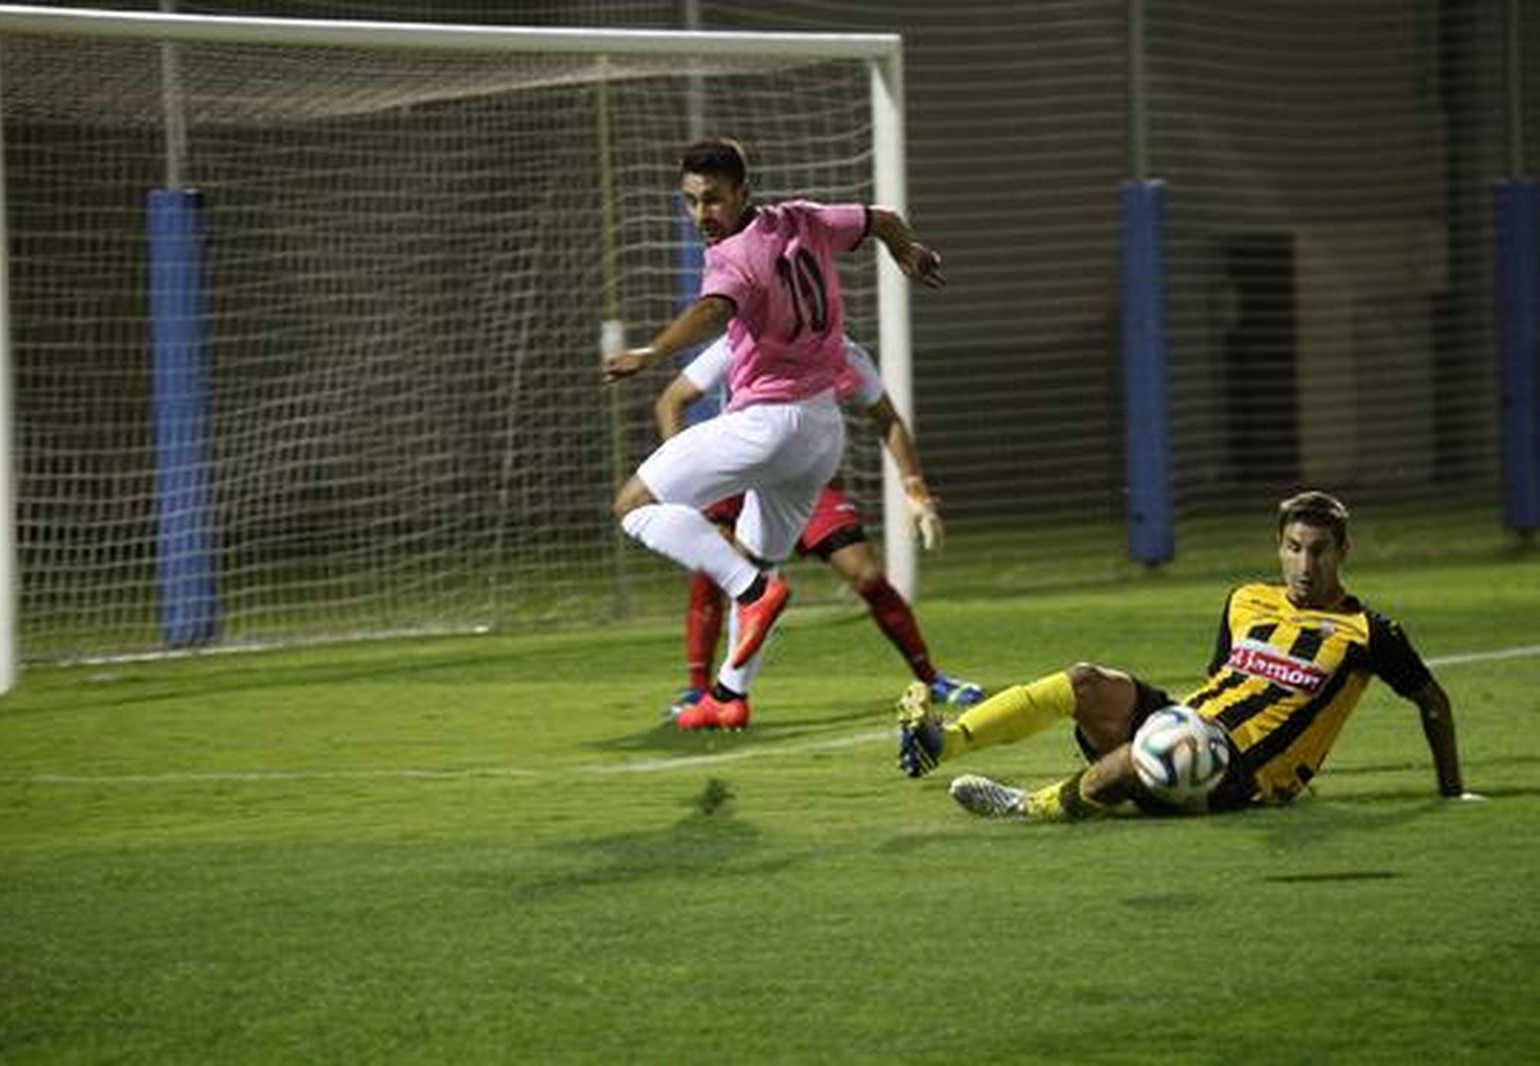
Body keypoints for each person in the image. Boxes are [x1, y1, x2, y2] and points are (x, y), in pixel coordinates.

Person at [605, 137, 945, 731]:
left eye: (713, 200)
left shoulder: (732, 256)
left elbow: (713, 310)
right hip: (819, 433)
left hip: (768, 424)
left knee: (634, 505)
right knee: (760, 556)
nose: (701, 215)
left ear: (743, 193)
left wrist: (652, 350)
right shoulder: (805, 218)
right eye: (690, 202)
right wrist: (906, 252)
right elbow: (883, 220)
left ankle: (750, 592)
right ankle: (730, 695)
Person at [896, 491, 1478, 818]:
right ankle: (942, 743)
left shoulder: (1366, 631)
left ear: (1343, 550)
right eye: (1294, 549)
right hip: (1194, 724)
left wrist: (1452, 792)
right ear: (1279, 547)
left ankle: (1029, 806)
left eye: (1320, 551)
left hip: (1246, 775)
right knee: (1085, 681)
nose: (1305, 565)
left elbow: (1433, 701)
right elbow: (1223, 677)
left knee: (1142, 756)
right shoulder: (1246, 600)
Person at [655, 334, 983, 727]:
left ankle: (931, 679)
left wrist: (914, 488)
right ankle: (698, 690)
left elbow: (887, 418)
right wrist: (686, 479)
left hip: (801, 477)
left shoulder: (841, 350)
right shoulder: (741, 339)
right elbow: (671, 401)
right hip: (740, 470)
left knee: (867, 575)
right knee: (715, 569)